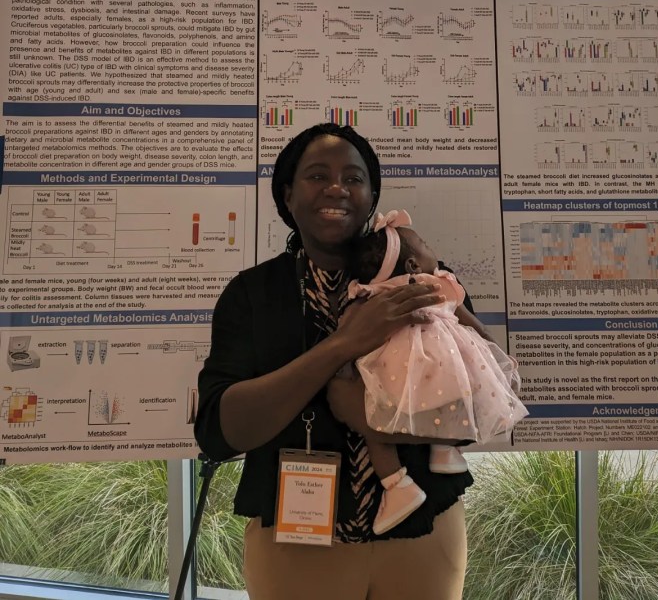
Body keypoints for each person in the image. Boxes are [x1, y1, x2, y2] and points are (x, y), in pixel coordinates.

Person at [194, 123, 473, 600]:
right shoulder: (253, 294)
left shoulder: (417, 277)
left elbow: (473, 402)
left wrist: (367, 418)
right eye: (317, 175)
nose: (337, 189)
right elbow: (222, 432)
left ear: (372, 195)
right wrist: (342, 345)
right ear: (287, 193)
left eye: (354, 178)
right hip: (296, 537)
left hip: (424, 531)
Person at [345, 209, 528, 535]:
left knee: (373, 422)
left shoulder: (373, 294)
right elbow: (470, 321)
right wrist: (488, 343)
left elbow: (349, 327)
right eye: (425, 244)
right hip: (447, 367)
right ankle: (444, 450)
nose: (433, 250)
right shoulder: (440, 282)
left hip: (396, 372)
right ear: (414, 265)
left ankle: (397, 485)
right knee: (453, 403)